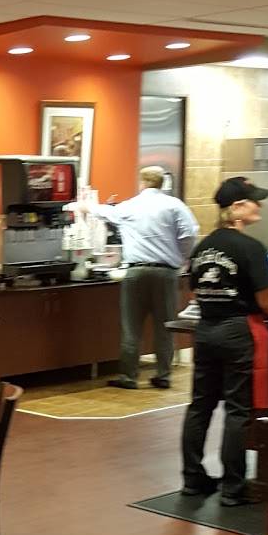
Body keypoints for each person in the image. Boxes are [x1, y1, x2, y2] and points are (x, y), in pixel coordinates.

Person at [181, 178, 268, 506]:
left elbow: (193, 292)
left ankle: (192, 480)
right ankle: (233, 488)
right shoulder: (251, 248)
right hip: (238, 331)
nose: (260, 205)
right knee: (237, 410)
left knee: (200, 405)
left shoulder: (202, 247)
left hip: (206, 329)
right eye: (255, 200)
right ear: (238, 207)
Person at [94, 166, 199, 389]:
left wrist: (84, 205)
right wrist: (182, 258)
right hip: (166, 272)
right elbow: (189, 234)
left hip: (136, 272)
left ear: (141, 182)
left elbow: (104, 212)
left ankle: (129, 376)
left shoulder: (130, 205)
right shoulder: (175, 205)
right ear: (162, 183)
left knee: (131, 326)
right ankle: (163, 375)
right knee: (165, 326)